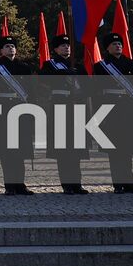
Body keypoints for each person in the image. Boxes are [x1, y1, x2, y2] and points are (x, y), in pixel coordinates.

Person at [92, 33, 133, 193]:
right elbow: (97, 93)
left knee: (127, 148)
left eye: (119, 43)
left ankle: (129, 183)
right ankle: (118, 184)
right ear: (107, 47)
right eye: (114, 44)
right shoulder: (101, 66)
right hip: (111, 110)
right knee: (114, 150)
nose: (118, 46)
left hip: (128, 109)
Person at [39, 34, 87, 194]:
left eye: (68, 45)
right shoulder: (50, 65)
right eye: (62, 46)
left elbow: (87, 86)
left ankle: (77, 183)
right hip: (59, 107)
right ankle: (66, 183)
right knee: (63, 149)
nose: (66, 47)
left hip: (76, 107)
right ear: (55, 49)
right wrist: (65, 73)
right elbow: (43, 80)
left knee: (76, 148)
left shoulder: (78, 66)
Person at [0, 35, 35, 194]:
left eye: (13, 46)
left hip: (21, 111)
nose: (11, 49)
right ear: (1, 50)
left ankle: (20, 184)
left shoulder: (24, 68)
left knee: (21, 149)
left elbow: (32, 92)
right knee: (6, 151)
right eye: (7, 46)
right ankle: (9, 185)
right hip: (4, 112)